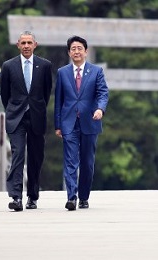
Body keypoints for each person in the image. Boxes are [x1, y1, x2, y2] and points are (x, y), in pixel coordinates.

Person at [0, 31, 53, 211]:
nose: (26, 46)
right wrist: (14, 109)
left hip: (37, 116)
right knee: (17, 155)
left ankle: (32, 196)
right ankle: (16, 197)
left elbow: (46, 93)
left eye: (29, 42)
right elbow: (4, 94)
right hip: (16, 117)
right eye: (23, 43)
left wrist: (36, 107)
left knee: (36, 158)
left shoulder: (45, 66)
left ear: (35, 45)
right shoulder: (8, 66)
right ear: (18, 45)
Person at [54, 35, 109, 210]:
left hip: (90, 121)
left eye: (79, 48)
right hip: (69, 122)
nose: (76, 51)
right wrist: (58, 124)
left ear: (86, 51)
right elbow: (58, 100)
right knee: (70, 160)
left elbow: (103, 93)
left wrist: (100, 109)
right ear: (69, 53)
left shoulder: (96, 71)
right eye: (73, 49)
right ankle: (71, 197)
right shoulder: (62, 72)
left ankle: (84, 196)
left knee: (87, 162)